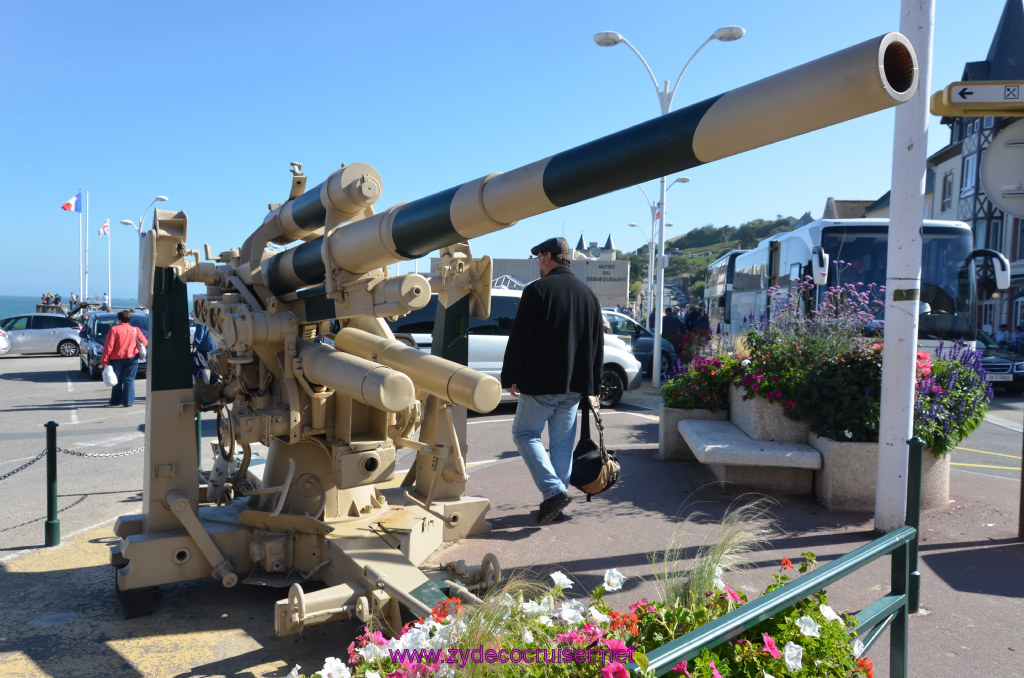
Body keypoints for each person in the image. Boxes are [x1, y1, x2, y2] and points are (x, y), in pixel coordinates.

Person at [502, 237, 603, 524]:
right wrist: (592, 386)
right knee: (561, 446)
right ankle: (556, 502)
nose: (537, 263)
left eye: (538, 258)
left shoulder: (537, 291)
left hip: (540, 383)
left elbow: (520, 338)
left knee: (525, 434)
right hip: (573, 386)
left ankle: (553, 491)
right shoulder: (588, 295)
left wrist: (509, 377)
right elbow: (597, 344)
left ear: (548, 257)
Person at [100, 310, 148, 407]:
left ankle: (115, 401)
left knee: (116, 380)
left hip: (116, 358)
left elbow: (108, 346)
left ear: (119, 319)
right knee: (129, 380)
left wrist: (104, 361)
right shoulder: (135, 330)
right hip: (132, 357)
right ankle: (128, 401)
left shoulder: (114, 329)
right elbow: (145, 342)